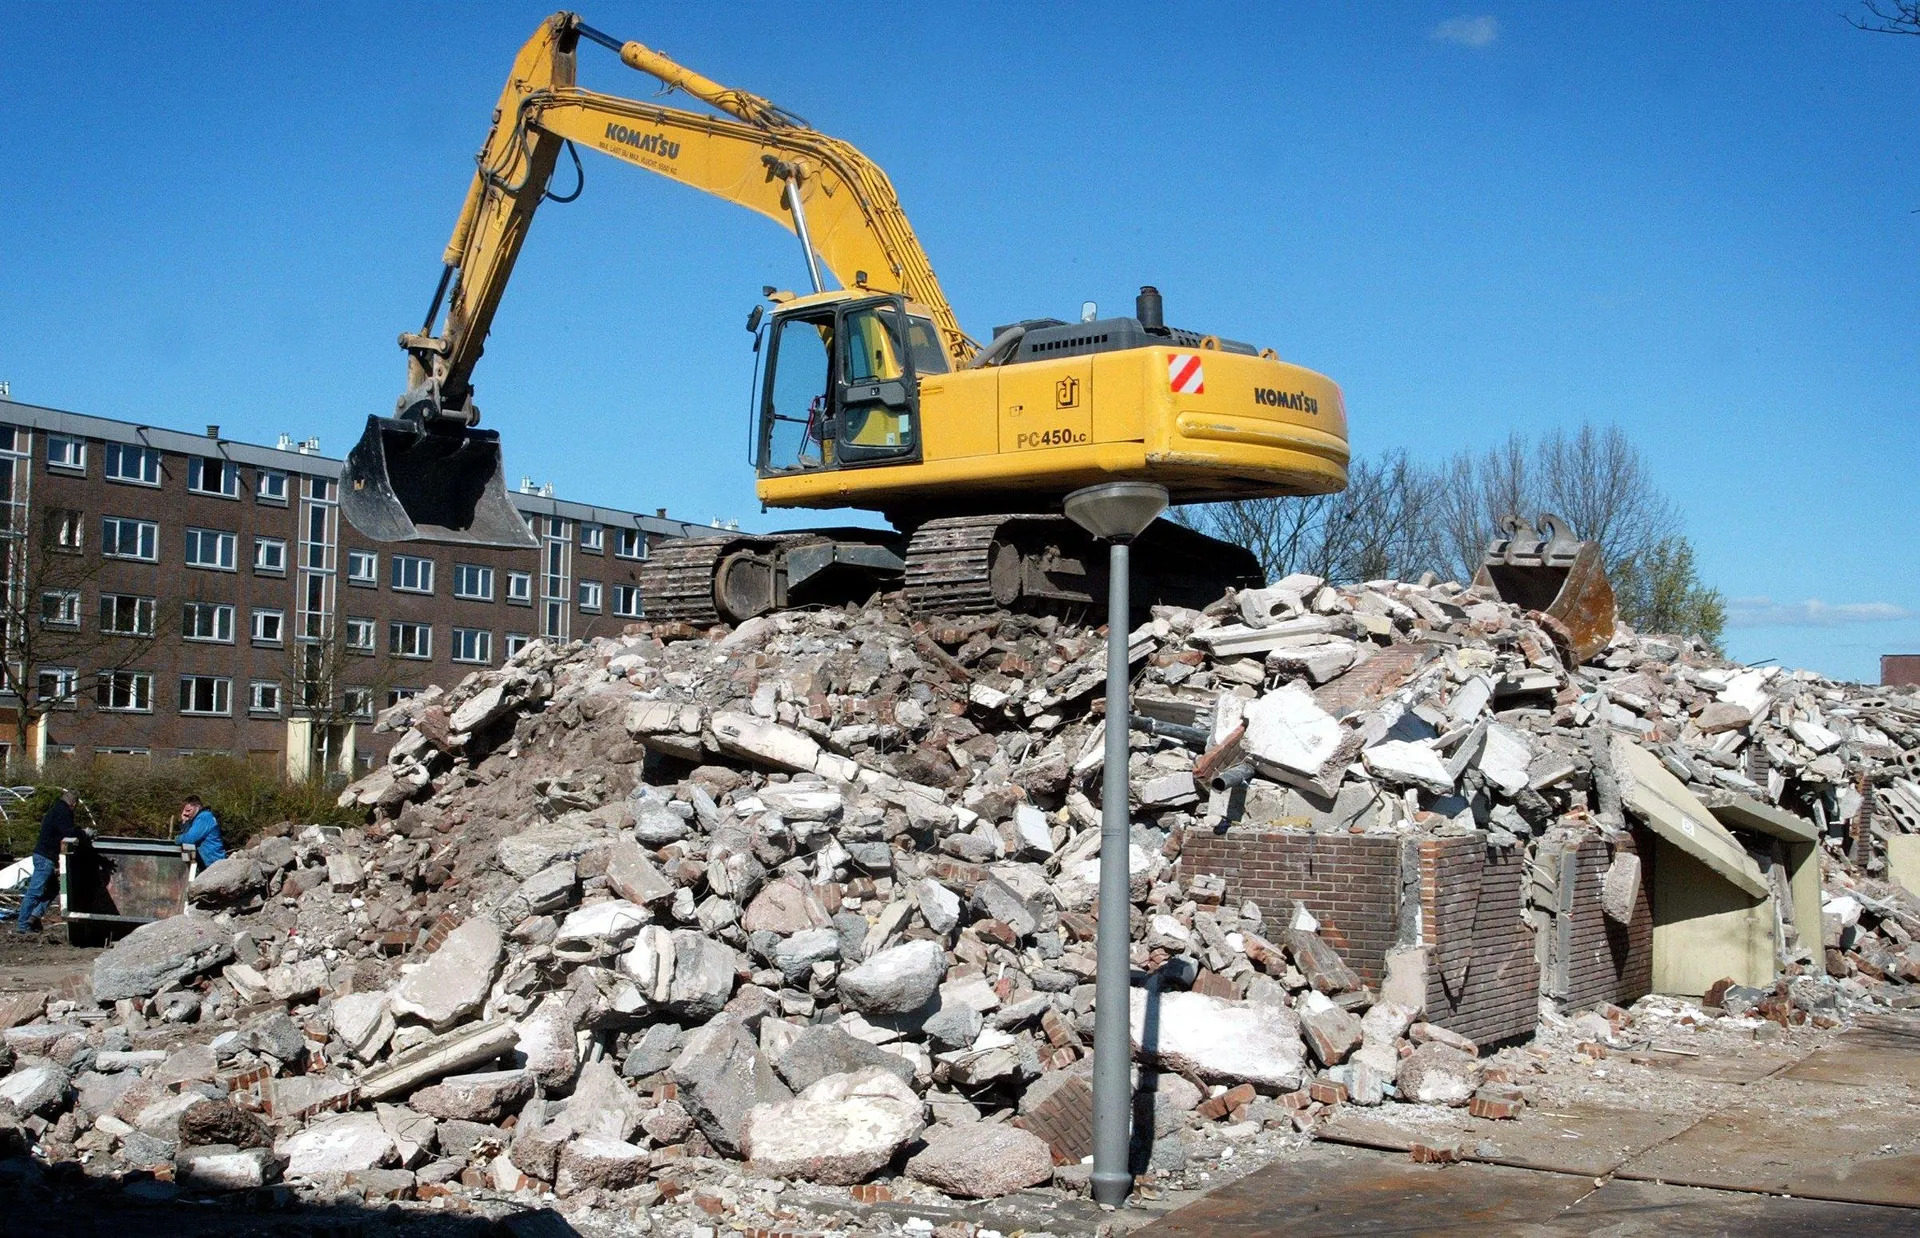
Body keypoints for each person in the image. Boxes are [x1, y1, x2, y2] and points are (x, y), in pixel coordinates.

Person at [15, 790, 83, 933]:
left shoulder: (56, 810)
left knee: (52, 889)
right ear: (74, 803)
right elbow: (69, 832)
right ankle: (23, 925)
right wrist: (84, 833)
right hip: (46, 858)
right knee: (35, 892)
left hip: (45, 856)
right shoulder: (63, 812)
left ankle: (33, 917)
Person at [175, 795, 226, 866]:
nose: (186, 813)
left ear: (197, 807)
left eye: (188, 810)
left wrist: (177, 839)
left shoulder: (204, 817)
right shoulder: (195, 819)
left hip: (213, 863)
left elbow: (189, 839)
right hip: (207, 862)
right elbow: (186, 835)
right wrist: (185, 822)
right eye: (184, 811)